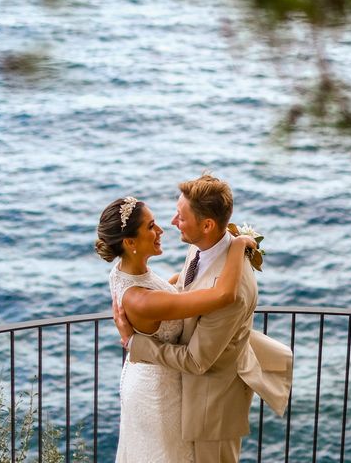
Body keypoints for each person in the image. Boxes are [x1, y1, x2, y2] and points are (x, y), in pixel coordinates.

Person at [114, 174, 293, 463]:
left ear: (207, 225)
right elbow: (187, 290)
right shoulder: (201, 246)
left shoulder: (231, 291)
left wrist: (134, 343)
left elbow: (197, 361)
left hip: (212, 405)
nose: (173, 222)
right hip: (180, 393)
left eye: (181, 217)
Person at [95, 195, 257, 463]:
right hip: (157, 392)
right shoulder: (142, 300)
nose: (161, 229)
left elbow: (170, 290)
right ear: (129, 242)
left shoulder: (124, 272)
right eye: (151, 226)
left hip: (149, 378)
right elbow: (224, 295)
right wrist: (238, 245)